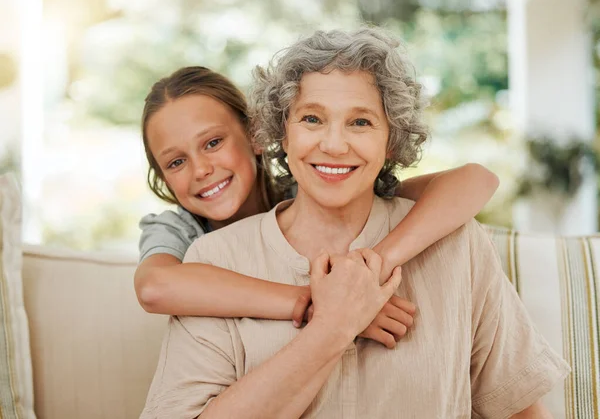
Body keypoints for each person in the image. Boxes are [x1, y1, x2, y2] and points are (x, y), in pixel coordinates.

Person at [140, 27, 570, 418]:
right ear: (281, 135)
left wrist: (367, 270)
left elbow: (519, 409)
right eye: (311, 118)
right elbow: (155, 286)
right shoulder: (206, 257)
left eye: (361, 122)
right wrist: (333, 317)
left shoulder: (449, 238)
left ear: (391, 141)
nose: (333, 144)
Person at [134, 65, 499, 345]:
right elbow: (154, 287)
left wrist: (369, 271)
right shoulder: (177, 229)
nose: (201, 169)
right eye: (176, 162)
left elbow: (476, 180)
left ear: (256, 134)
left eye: (213, 143)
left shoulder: (313, 189)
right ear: (163, 176)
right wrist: (325, 306)